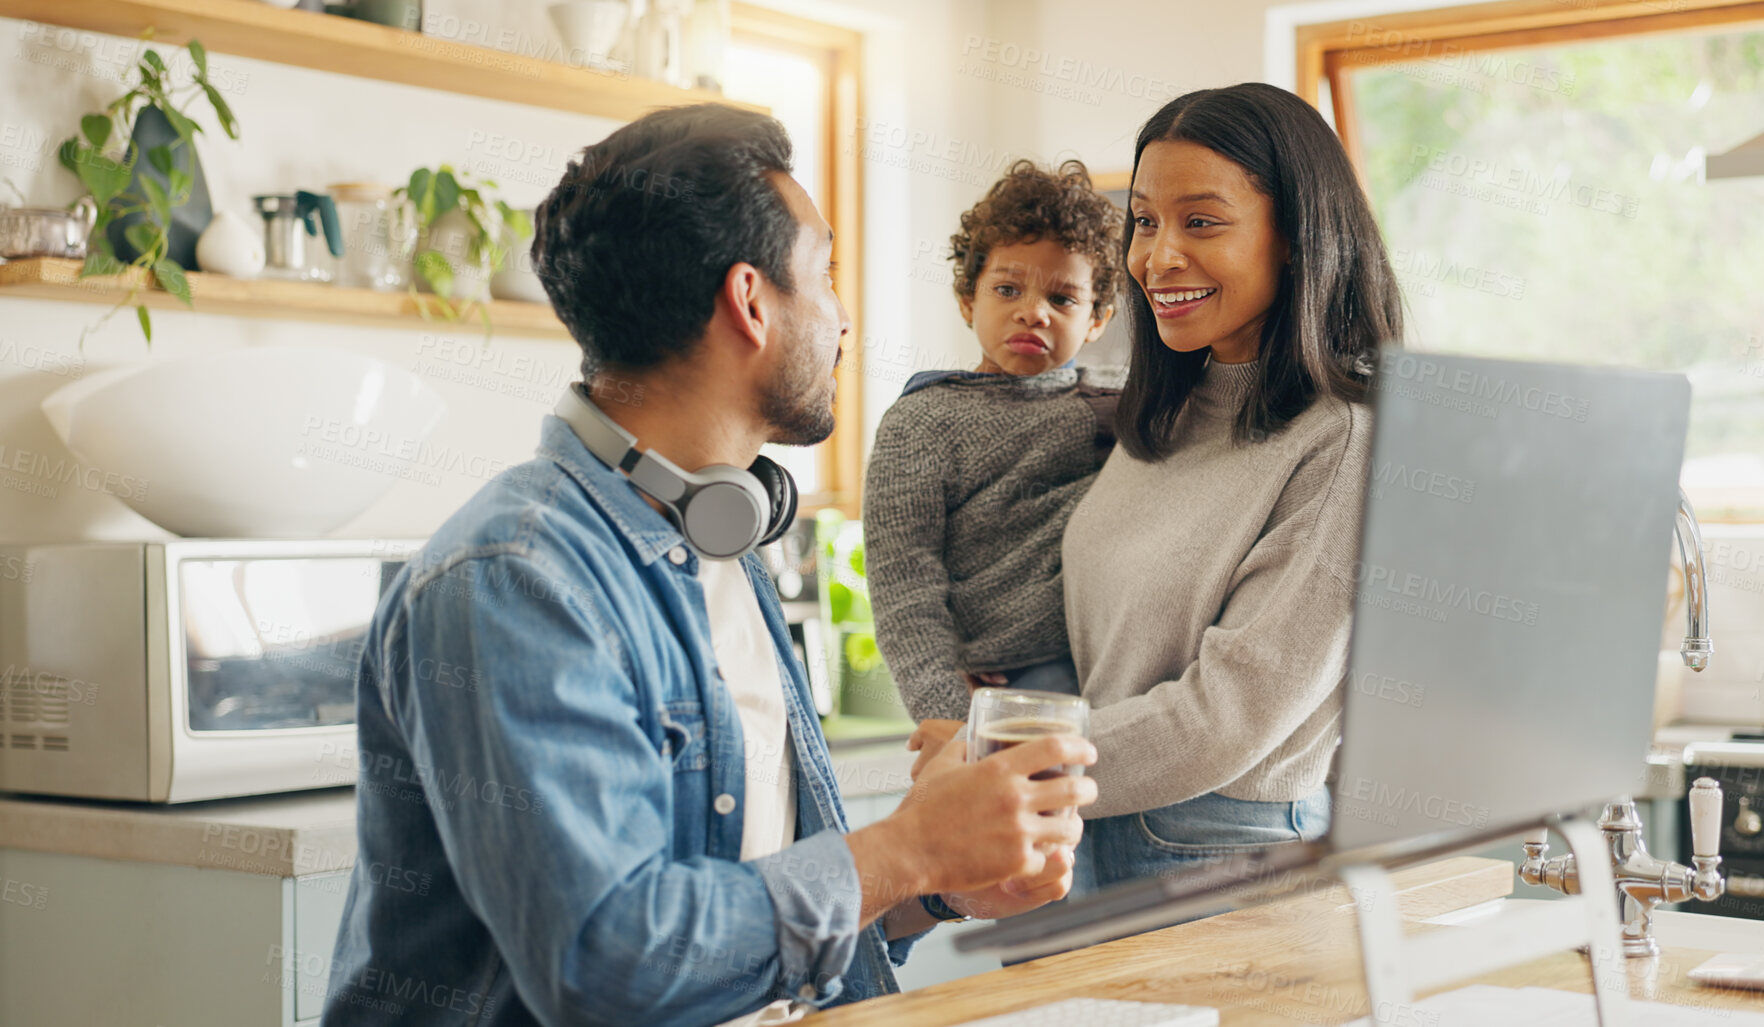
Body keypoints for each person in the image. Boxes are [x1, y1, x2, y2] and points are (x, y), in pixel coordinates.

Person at [322, 104, 1097, 1027]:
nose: (843, 319)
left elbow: (741, 915)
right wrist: (906, 851)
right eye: (826, 276)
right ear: (750, 300)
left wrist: (939, 888)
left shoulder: (715, 537)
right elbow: (608, 961)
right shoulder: (513, 578)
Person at [913, 82, 1402, 899]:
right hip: (1081, 827)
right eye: (1143, 221)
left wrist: (1002, 759)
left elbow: (1228, 715)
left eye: (1199, 221)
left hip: (1223, 854)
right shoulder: (1163, 413)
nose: (1156, 256)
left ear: (1295, 237)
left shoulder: (1343, 436)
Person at [864, 158, 1125, 723]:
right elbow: (904, 585)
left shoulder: (1123, 408)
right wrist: (946, 717)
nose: (1033, 312)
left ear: (1098, 319)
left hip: (1126, 673)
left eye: (1063, 300)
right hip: (1010, 686)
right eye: (1007, 288)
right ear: (967, 301)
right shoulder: (921, 423)